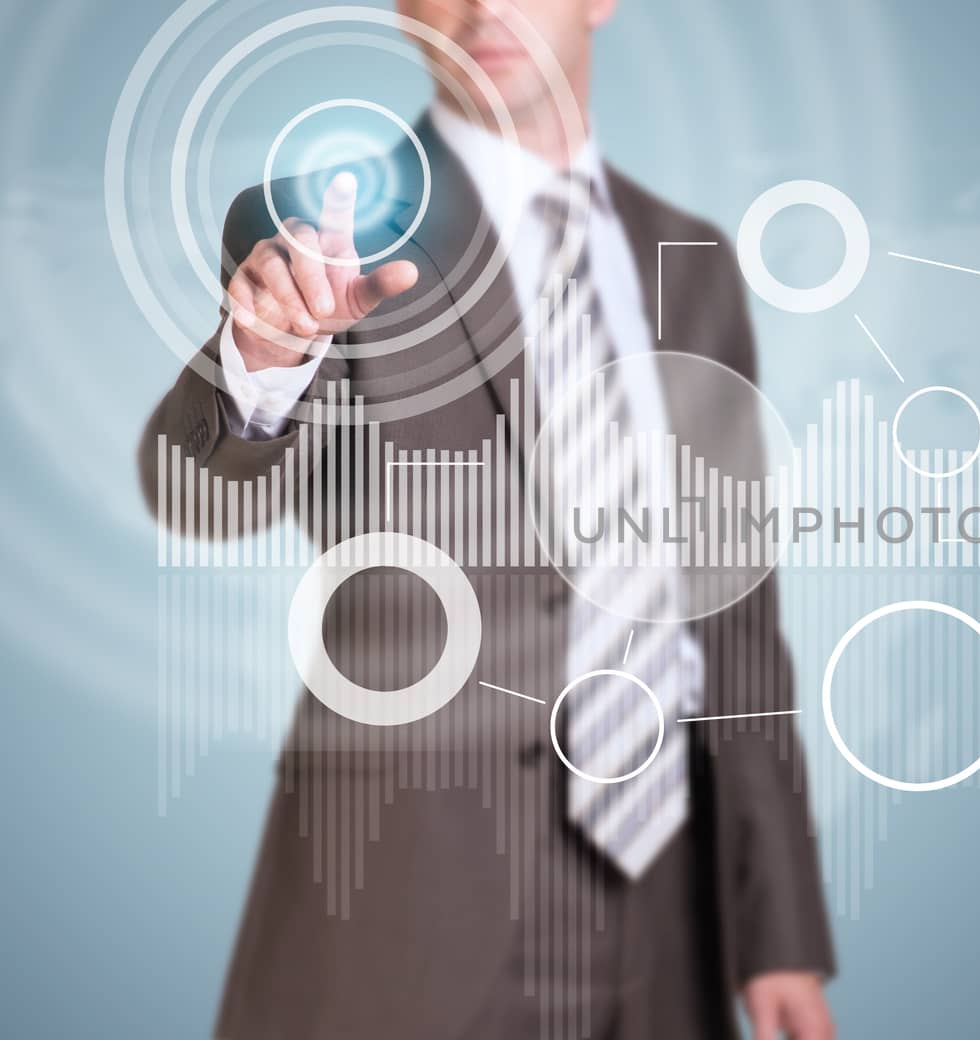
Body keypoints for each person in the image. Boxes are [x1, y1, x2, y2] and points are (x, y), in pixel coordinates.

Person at [137, 1, 836, 1037]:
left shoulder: (692, 260)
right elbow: (193, 495)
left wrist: (777, 929)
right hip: (406, 901)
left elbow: (733, 615)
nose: (480, 6)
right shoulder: (320, 233)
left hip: (667, 914)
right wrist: (266, 356)